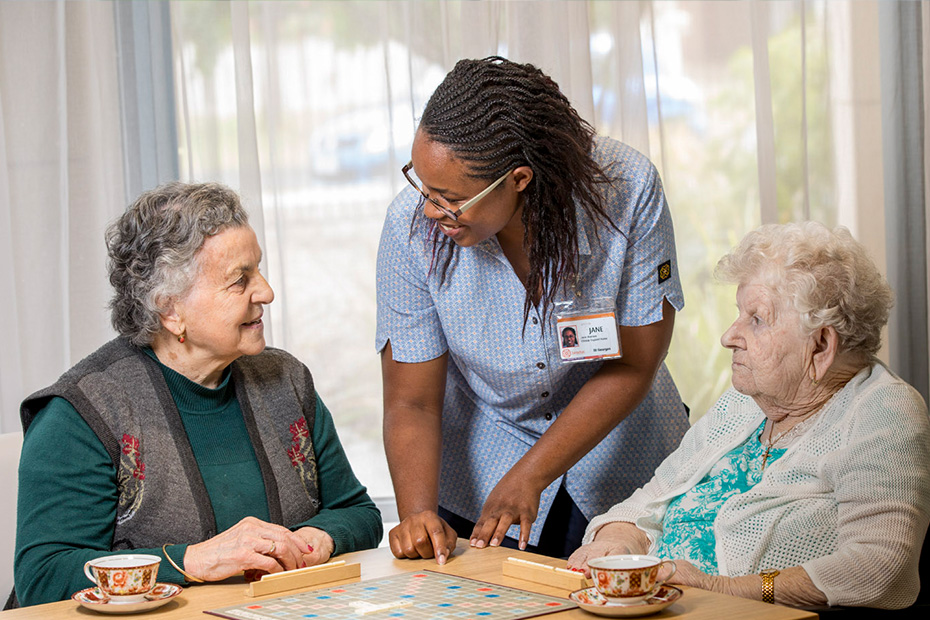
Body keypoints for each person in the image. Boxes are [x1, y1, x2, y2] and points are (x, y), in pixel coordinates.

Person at [377, 56, 690, 564]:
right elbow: (412, 401)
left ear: (518, 179)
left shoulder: (628, 190)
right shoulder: (410, 230)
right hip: (484, 464)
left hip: (624, 458)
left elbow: (635, 362)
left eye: (451, 199)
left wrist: (531, 473)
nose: (430, 211)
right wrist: (416, 511)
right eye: (421, 185)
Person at [12, 182, 382, 607]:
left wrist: (320, 537)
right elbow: (42, 576)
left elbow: (358, 512)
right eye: (239, 280)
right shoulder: (80, 412)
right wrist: (191, 561)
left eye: (258, 270)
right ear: (170, 309)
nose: (266, 292)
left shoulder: (286, 379)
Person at [568, 222, 930, 610]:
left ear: (821, 345)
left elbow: (878, 568)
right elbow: (648, 502)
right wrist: (616, 543)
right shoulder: (742, 404)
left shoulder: (881, 410)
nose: (729, 336)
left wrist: (720, 589)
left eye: (756, 319)